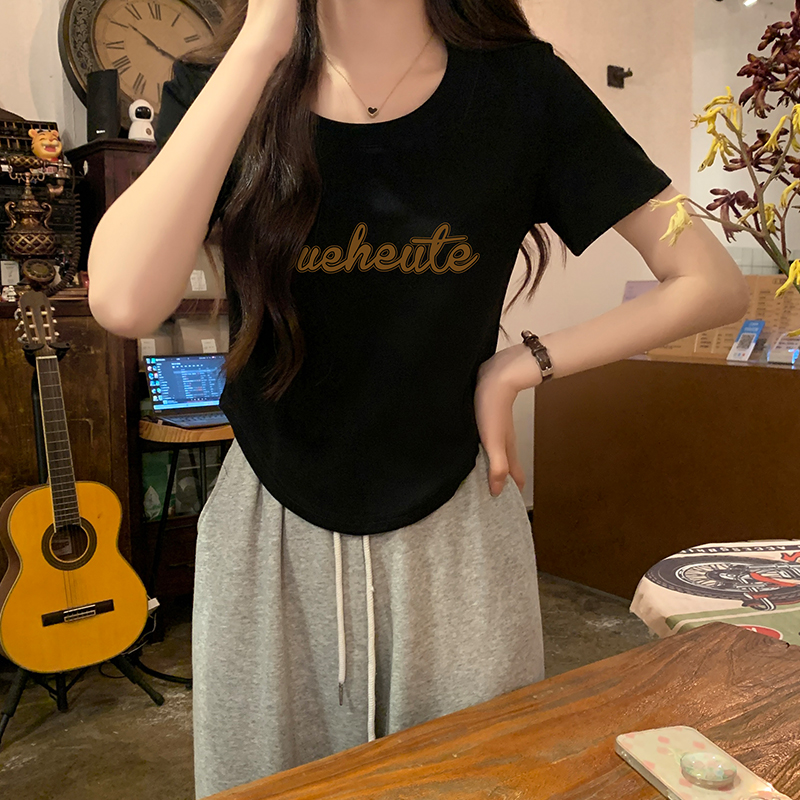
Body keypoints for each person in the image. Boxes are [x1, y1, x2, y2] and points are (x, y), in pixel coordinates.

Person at [87, 0, 750, 797]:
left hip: (461, 527)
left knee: (478, 782)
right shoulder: (224, 81)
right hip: (271, 529)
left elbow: (710, 280)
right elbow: (124, 302)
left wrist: (522, 364)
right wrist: (262, 38)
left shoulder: (520, 88)